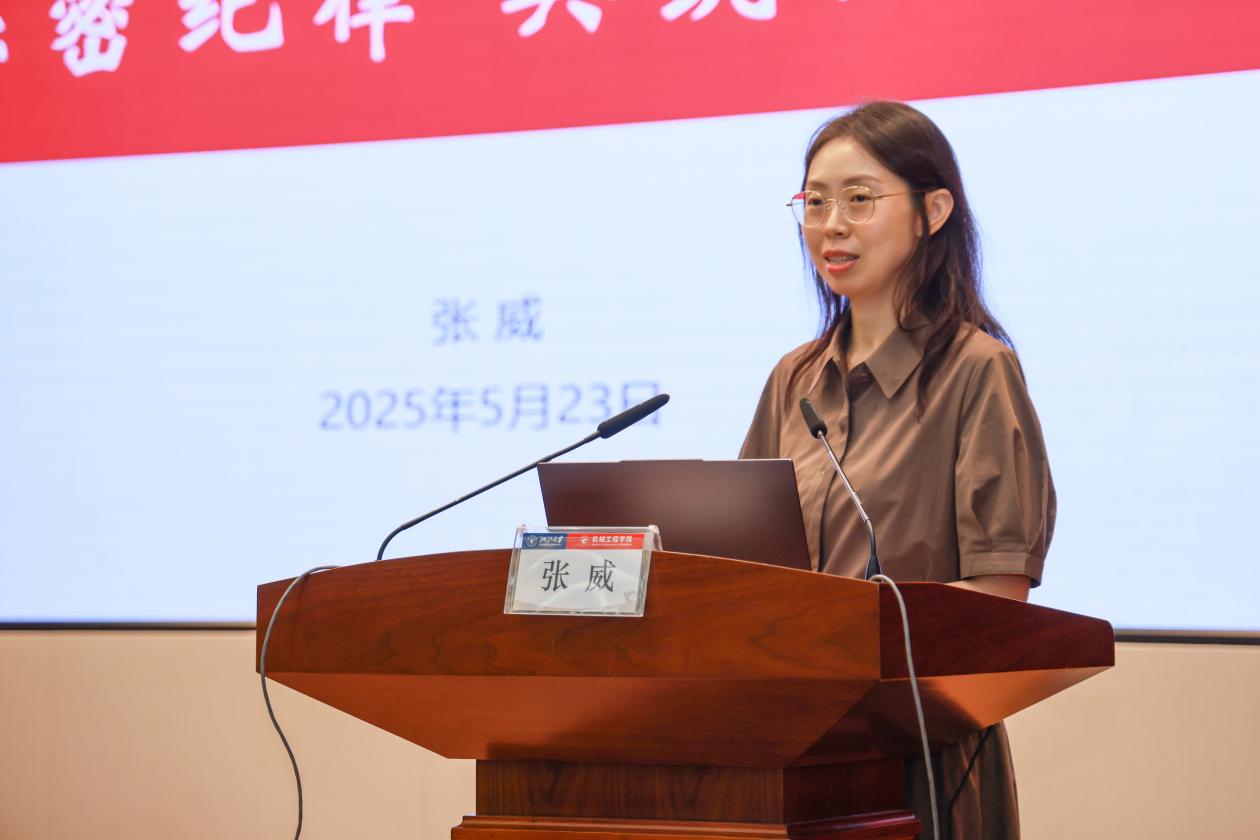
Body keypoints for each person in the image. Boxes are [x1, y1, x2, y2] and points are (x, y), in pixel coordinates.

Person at [739, 101, 1055, 840]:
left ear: (932, 212)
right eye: (815, 202)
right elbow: (743, 569)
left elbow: (998, 598)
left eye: (859, 199)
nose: (831, 225)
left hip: (920, 754)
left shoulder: (977, 371)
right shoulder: (794, 379)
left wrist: (853, 640)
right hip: (796, 753)